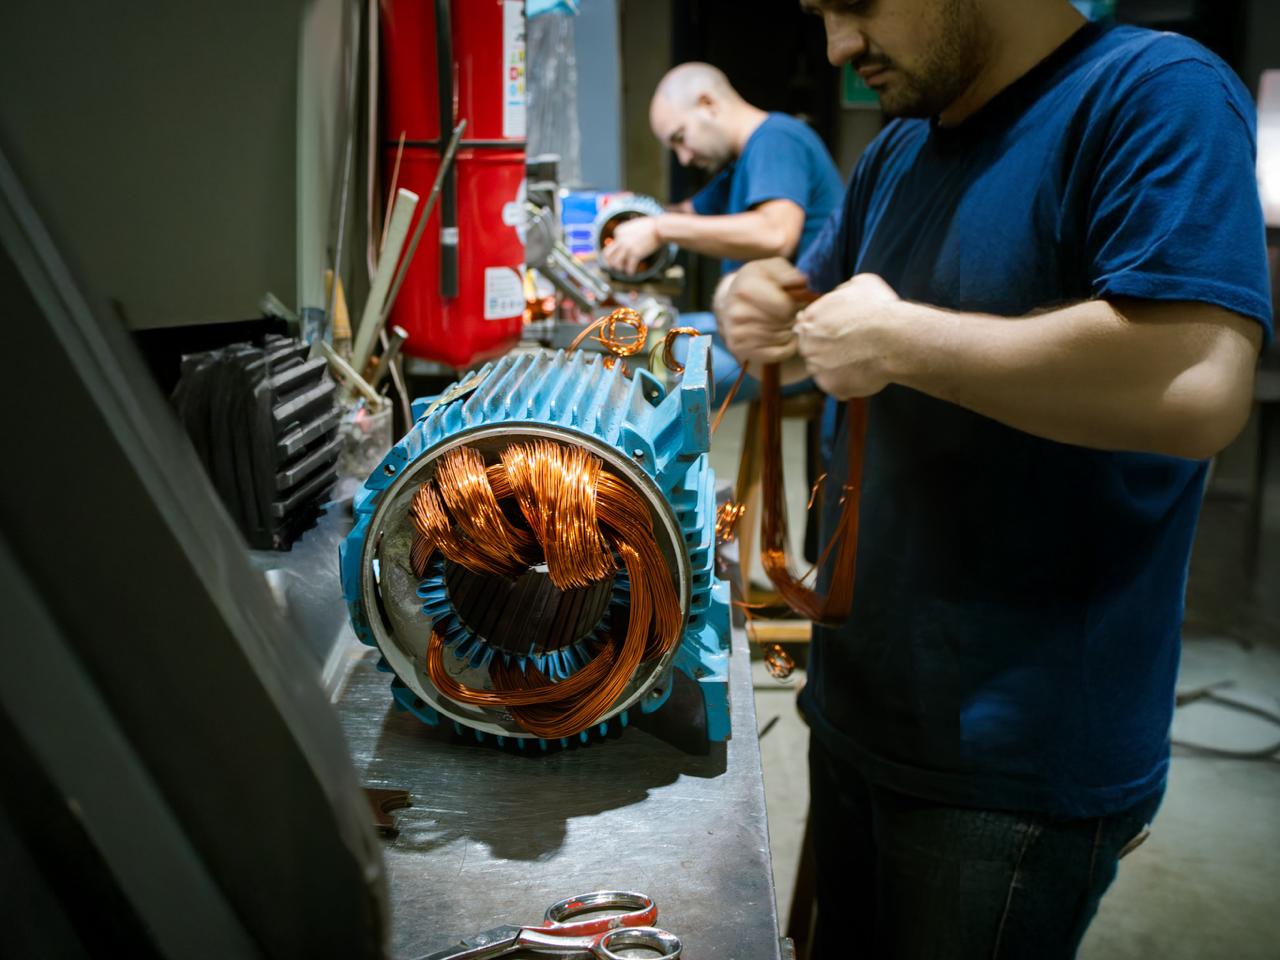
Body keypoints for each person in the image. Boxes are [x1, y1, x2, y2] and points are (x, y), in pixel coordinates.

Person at [716, 1, 1272, 956]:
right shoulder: (899, 149)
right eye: (818, 12)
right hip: (863, 702)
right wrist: (760, 304)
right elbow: (828, 313)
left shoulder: (1153, 95)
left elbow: (1197, 384)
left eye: (857, 3)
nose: (840, 48)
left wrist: (905, 342)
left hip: (1012, 760)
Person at [602, 62, 843, 398]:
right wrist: (626, 217)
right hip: (750, 332)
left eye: (680, 138)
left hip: (796, 345)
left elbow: (775, 234)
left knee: (643, 368)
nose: (683, 158)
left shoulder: (777, 140)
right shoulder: (740, 164)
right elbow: (683, 212)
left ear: (708, 104)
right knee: (638, 338)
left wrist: (660, 228)